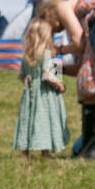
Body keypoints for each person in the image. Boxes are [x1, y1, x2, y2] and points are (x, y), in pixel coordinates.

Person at [35, 0, 95, 159]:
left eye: (51, 26)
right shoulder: (86, 15)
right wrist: (54, 69)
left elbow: (79, 43)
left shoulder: (62, 7)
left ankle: (89, 152)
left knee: (90, 93)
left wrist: (59, 51)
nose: (56, 30)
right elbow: (79, 68)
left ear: (49, 13)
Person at [13, 18, 69, 157]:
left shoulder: (27, 55)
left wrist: (30, 82)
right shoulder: (47, 53)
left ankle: (25, 151)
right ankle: (46, 151)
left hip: (30, 91)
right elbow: (47, 74)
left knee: (28, 118)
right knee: (44, 119)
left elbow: (22, 75)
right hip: (45, 93)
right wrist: (60, 85)